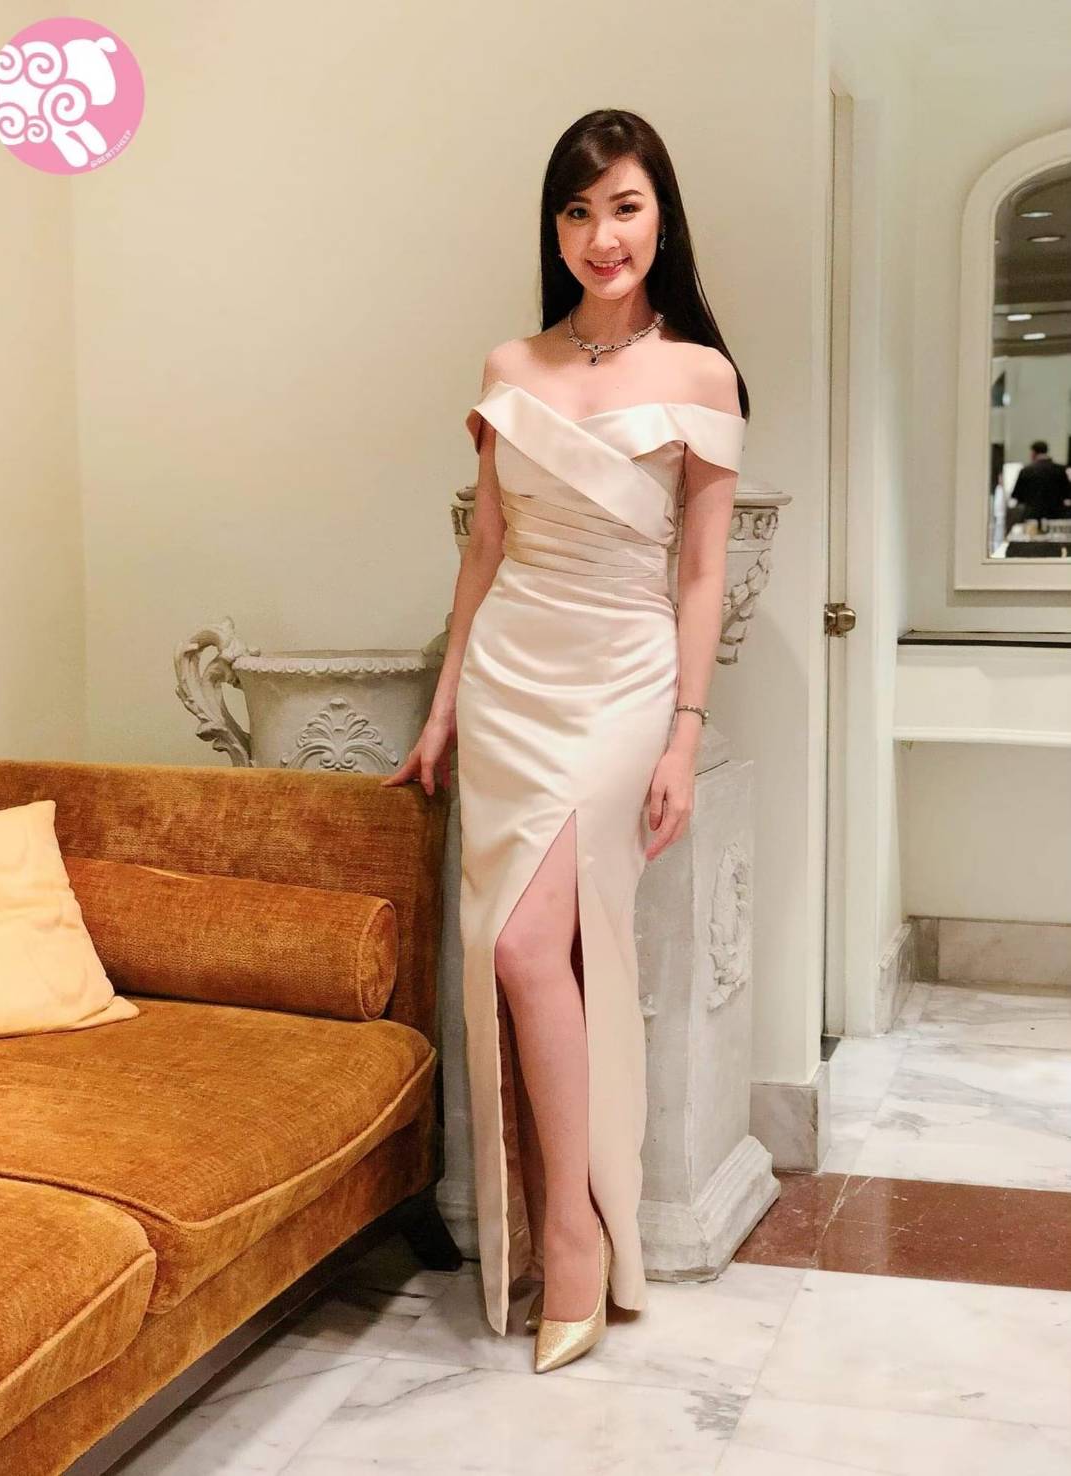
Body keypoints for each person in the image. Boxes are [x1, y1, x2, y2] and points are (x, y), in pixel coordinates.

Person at [383, 108, 748, 1373]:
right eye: (580, 211)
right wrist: (443, 704)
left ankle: (578, 1238)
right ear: (555, 229)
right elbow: (484, 547)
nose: (604, 236)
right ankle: (560, 1229)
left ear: (662, 218)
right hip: (509, 678)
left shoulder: (700, 375)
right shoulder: (510, 364)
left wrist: (683, 736)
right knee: (524, 955)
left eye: (626, 207)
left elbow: (700, 573)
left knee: (531, 945)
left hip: (624, 677)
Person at [1008, 440, 1071, 525]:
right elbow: (1067, 494)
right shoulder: (1060, 470)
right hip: (1055, 516)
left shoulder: (1026, 471)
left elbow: (1017, 495)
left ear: (1033, 453)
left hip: (1032, 516)